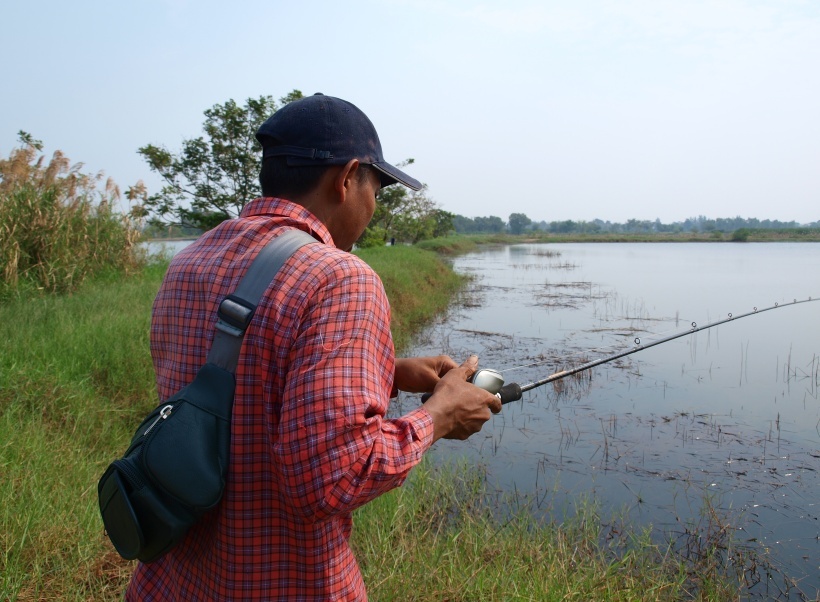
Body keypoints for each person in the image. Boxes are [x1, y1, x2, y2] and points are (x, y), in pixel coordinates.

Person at [126, 93, 501, 601]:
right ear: (346, 178)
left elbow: (234, 378)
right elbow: (332, 479)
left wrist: (385, 372)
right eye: (377, 187)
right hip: (285, 583)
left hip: (173, 580)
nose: (374, 205)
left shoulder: (191, 260)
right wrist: (438, 417)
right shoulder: (340, 278)